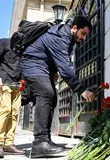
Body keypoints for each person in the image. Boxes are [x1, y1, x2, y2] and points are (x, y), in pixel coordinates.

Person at [20, 15, 95, 158]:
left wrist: (53, 71)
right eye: (83, 33)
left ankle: (45, 141)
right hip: (33, 63)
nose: (84, 38)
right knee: (46, 93)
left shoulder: (66, 36)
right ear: (74, 28)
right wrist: (81, 90)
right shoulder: (61, 36)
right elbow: (65, 70)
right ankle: (39, 143)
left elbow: (53, 56)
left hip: (41, 65)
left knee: (52, 97)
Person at [0, 38, 24, 158]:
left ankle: (9, 144)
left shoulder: (25, 46)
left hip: (18, 84)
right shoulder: (4, 42)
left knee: (14, 113)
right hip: (4, 80)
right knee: (5, 110)